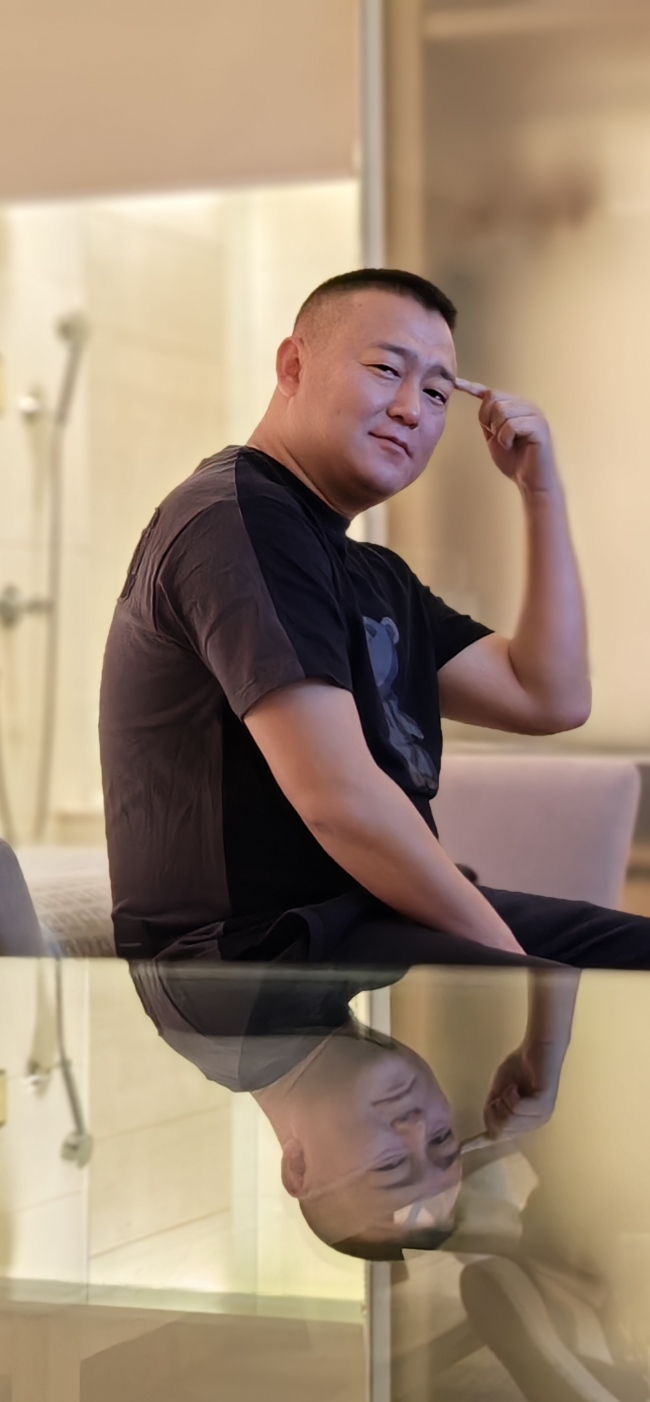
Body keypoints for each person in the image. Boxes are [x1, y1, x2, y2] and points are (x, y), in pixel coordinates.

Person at [99, 267, 650, 968]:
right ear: (293, 366)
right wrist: (523, 978)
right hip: (253, 953)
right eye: (387, 369)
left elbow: (550, 696)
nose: (412, 409)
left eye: (437, 392)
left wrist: (540, 491)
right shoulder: (236, 519)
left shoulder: (369, 572)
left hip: (364, 920)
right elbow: (338, 800)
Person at [130, 955, 578, 1260]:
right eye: (442, 1140)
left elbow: (557, 897)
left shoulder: (238, 1011)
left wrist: (547, 1043)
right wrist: (542, 1046)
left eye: (390, 1164)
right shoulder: (244, 1035)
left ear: (299, 1165)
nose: (416, 1127)